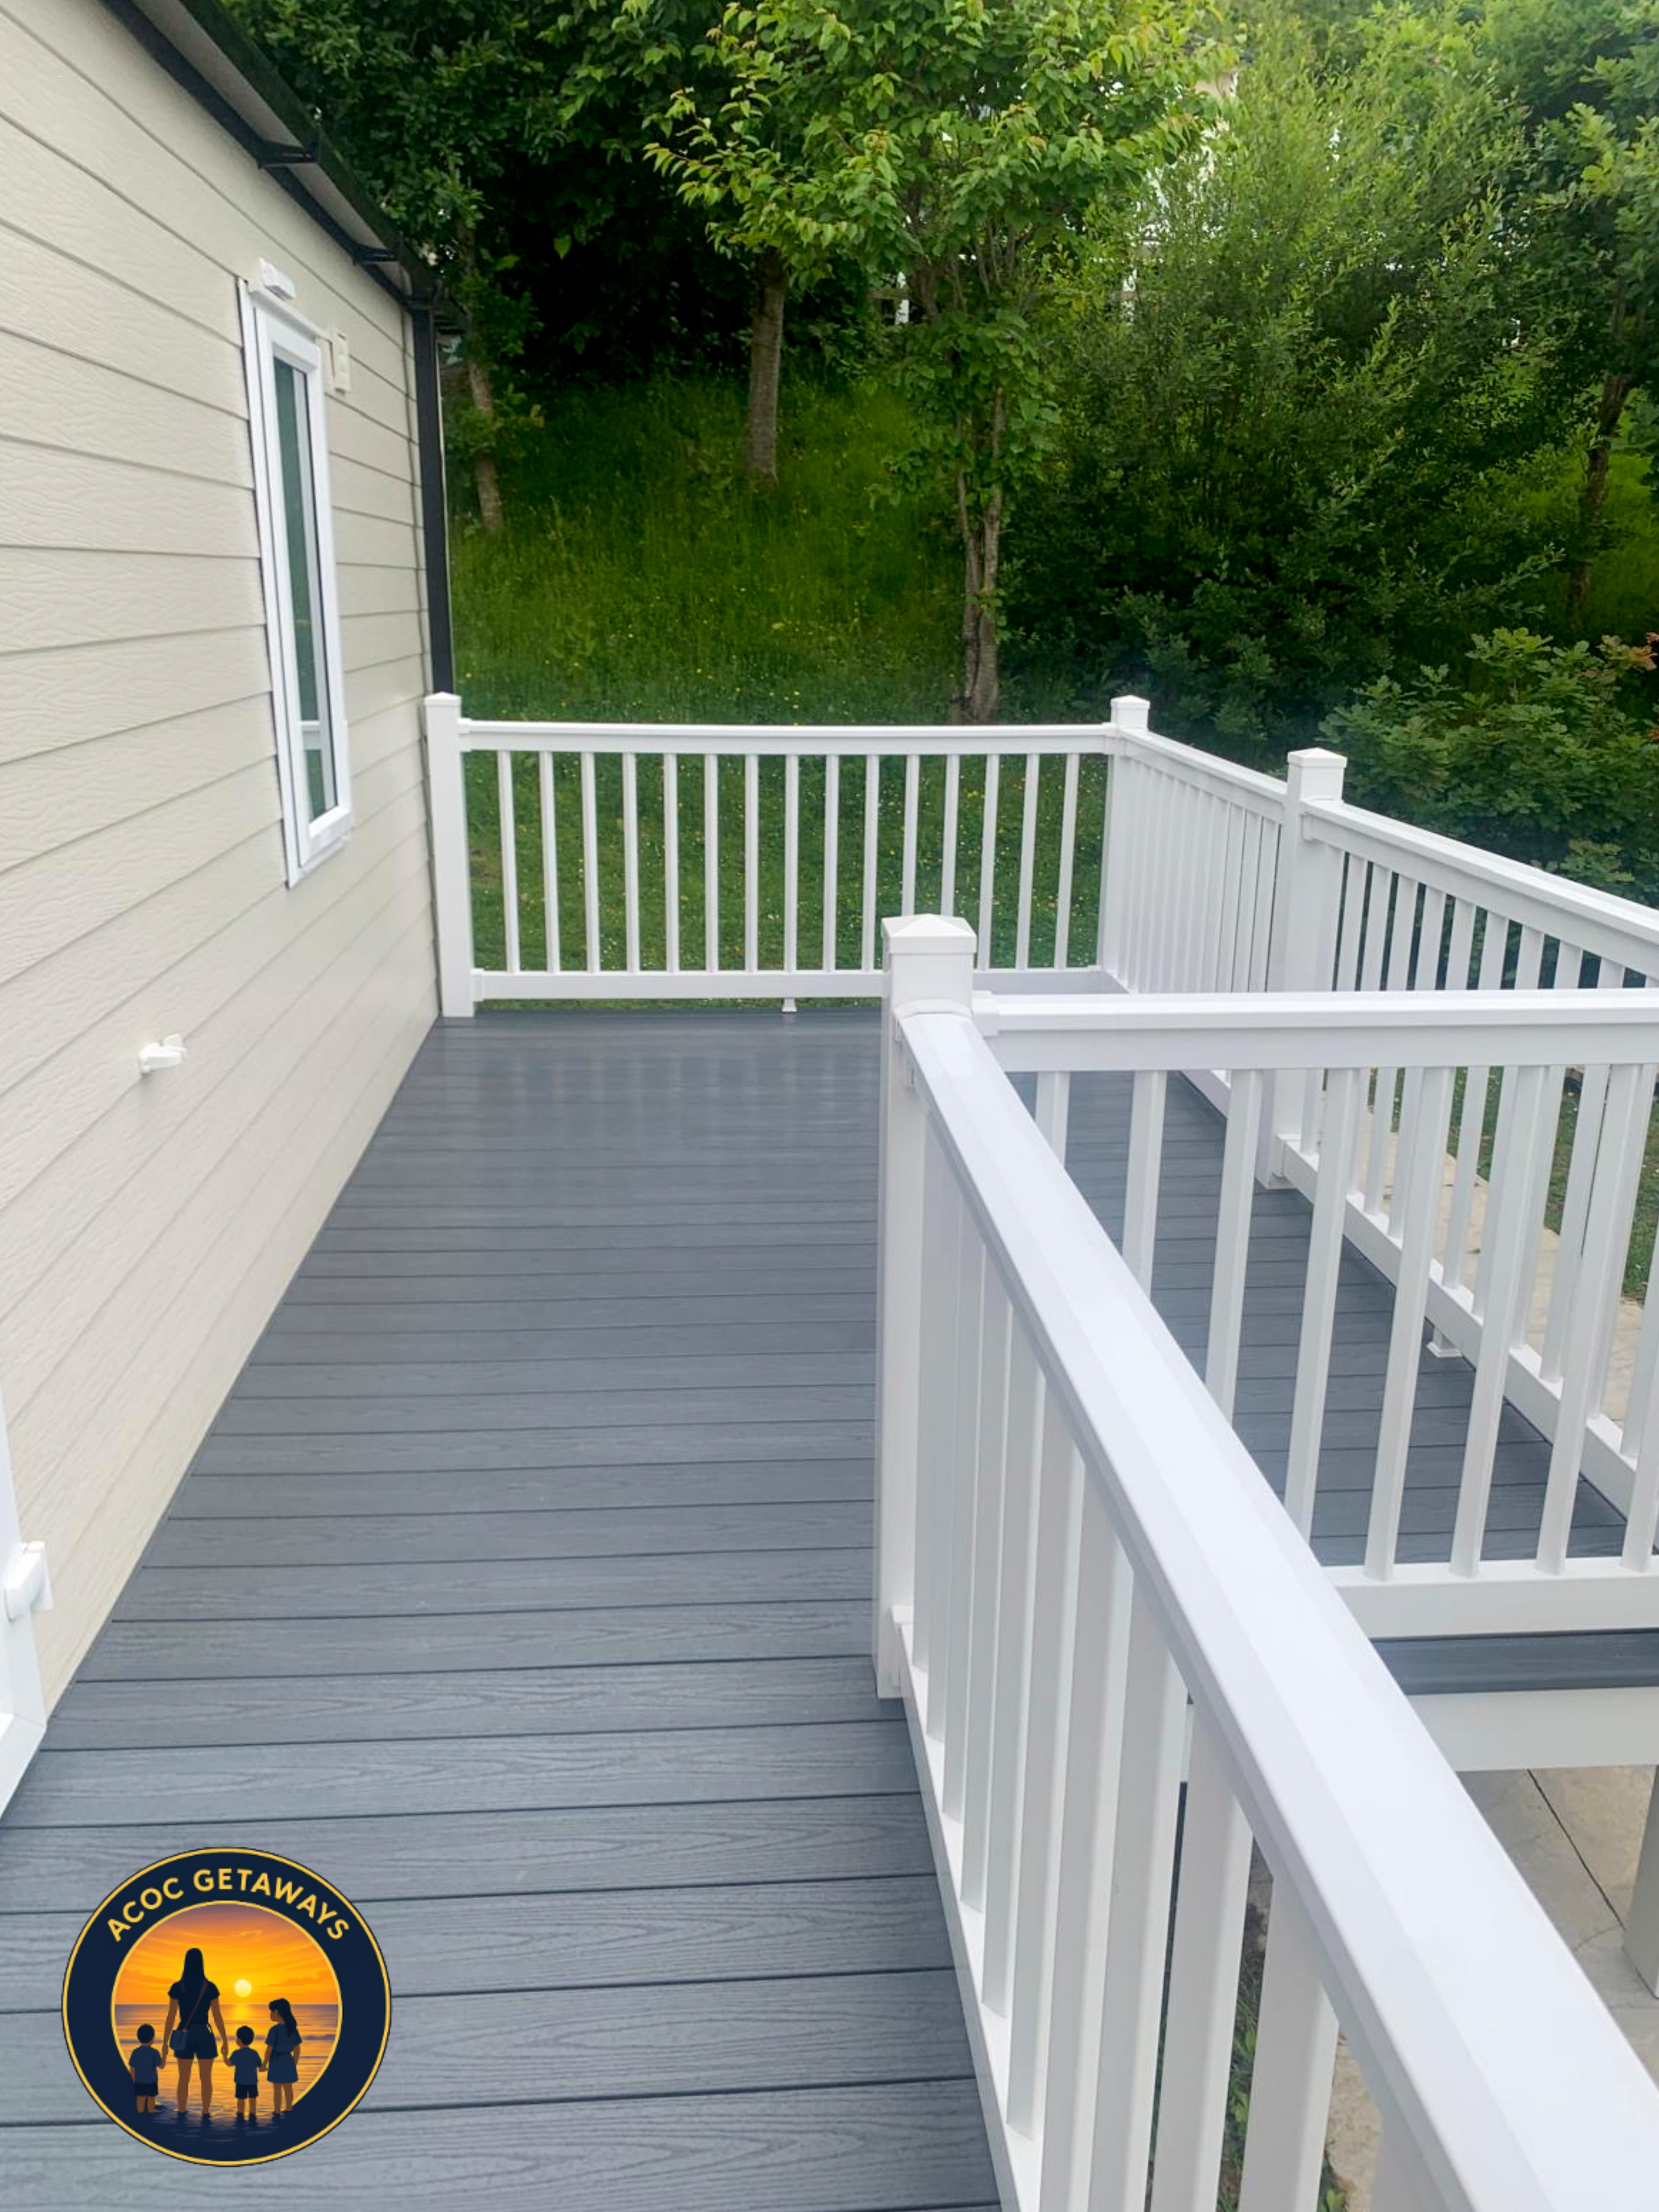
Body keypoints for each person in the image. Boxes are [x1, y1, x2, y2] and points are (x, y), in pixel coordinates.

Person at [159, 1946, 228, 2119]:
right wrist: (225, 2040)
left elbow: (171, 2017)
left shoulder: (178, 1987)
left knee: (183, 2079)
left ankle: (182, 2111)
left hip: (184, 2033)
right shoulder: (210, 1987)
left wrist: (165, 2043)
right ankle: (205, 2113)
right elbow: (217, 2016)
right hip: (204, 2033)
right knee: (206, 2079)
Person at [265, 1997, 302, 2117]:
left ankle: (277, 2111)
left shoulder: (274, 2030)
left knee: (277, 2088)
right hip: (288, 2059)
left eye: (272, 2012)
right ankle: (289, 2108)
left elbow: (269, 2048)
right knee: (288, 2086)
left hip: (277, 2059)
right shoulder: (292, 2029)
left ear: (278, 2013)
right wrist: (294, 2063)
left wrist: (265, 2063)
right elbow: (297, 2048)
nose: (270, 2014)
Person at [228, 2025, 263, 2123]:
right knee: (253, 2099)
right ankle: (253, 2116)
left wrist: (224, 2055)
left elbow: (229, 2063)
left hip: (240, 2081)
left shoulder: (237, 2053)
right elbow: (260, 2065)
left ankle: (240, 2116)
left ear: (239, 2040)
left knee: (241, 2100)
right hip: (252, 2081)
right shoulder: (254, 2053)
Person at [129, 2023, 161, 2116]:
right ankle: (151, 2110)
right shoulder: (155, 2052)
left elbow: (132, 2068)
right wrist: (164, 2054)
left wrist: (134, 2080)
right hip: (152, 2081)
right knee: (151, 2098)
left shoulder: (135, 2052)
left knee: (140, 2098)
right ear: (153, 2039)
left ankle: (140, 2112)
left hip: (139, 2081)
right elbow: (160, 2065)